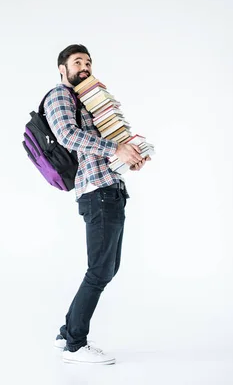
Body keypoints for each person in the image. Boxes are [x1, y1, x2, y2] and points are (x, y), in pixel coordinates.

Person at [43, 44, 150, 364]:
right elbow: (68, 136)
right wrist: (115, 149)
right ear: (63, 68)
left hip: (109, 187)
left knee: (108, 267)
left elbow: (96, 148)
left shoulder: (85, 98)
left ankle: (66, 334)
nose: (84, 66)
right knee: (100, 269)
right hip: (96, 192)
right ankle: (76, 343)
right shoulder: (59, 95)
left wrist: (127, 158)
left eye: (88, 62)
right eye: (77, 62)